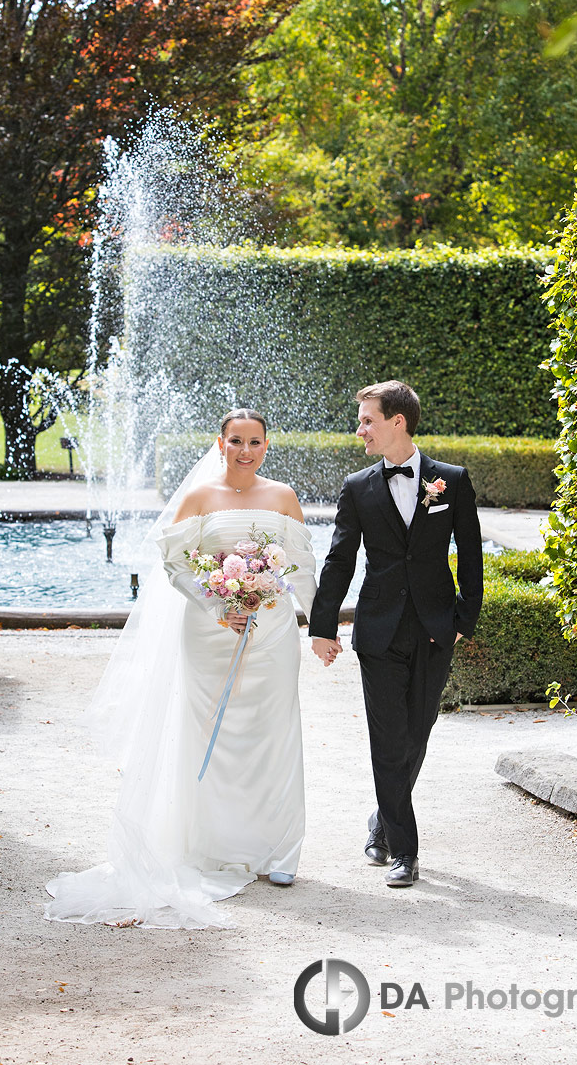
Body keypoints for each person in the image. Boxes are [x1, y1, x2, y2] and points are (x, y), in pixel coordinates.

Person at [44, 409, 316, 928]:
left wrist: (322, 626)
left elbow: (301, 567)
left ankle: (278, 855)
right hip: (210, 636)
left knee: (275, 735)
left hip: (272, 637)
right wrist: (219, 603)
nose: (245, 450)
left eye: (254, 442)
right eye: (236, 440)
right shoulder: (199, 498)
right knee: (204, 739)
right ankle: (209, 847)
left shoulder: (283, 496)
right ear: (220, 442)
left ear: (266, 445)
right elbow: (175, 565)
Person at [309, 381, 483, 888]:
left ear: (397, 422)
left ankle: (382, 822)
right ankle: (404, 851)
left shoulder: (452, 481)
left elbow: (471, 557)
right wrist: (323, 628)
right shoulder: (357, 487)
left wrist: (461, 622)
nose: (359, 429)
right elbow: (340, 559)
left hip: (434, 630)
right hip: (378, 631)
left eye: (367, 420)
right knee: (388, 742)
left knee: (415, 737)